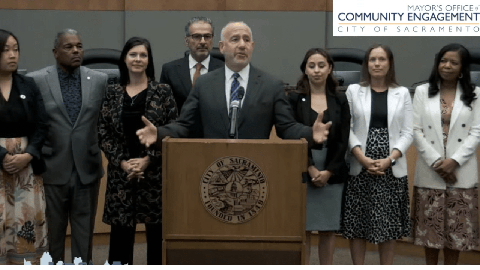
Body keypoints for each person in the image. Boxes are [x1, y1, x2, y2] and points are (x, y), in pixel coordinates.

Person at [137, 21, 330, 147]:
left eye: (247, 40)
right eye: (235, 39)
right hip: (211, 168)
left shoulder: (272, 85)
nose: (242, 44)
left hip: (256, 169)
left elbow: (286, 127)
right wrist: (160, 133)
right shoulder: (204, 84)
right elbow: (184, 125)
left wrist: (310, 133)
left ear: (252, 47)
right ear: (222, 47)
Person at [27, 29, 108, 264]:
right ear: (55, 52)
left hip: (87, 168)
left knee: (84, 233)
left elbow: (104, 121)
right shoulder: (37, 80)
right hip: (52, 167)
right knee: (53, 234)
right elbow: (33, 123)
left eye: (79, 46)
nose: (75, 51)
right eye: (69, 47)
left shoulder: (100, 80)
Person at [98, 37, 177, 265]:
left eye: (143, 55)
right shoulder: (112, 92)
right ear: (124, 58)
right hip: (121, 174)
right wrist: (123, 163)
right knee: (121, 238)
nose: (138, 59)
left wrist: (147, 161)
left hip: (154, 174)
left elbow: (172, 129)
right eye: (133, 54)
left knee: (156, 236)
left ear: (149, 60)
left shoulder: (162, 91)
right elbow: (103, 131)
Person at [342, 44, 413, 265]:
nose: (377, 64)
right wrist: (361, 158)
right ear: (366, 64)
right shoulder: (353, 90)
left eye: (382, 59)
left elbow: (408, 132)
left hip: (390, 167)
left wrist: (390, 159)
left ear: (389, 63)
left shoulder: (402, 93)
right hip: (359, 164)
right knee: (357, 224)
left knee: (389, 224)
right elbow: (348, 128)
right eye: (372, 59)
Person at [412, 43, 480, 265]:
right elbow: (416, 130)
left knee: (456, 236)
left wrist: (454, 162)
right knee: (429, 236)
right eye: (443, 61)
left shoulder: (476, 94)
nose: (447, 66)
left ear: (462, 68)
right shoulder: (422, 91)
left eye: (453, 62)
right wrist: (438, 163)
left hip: (461, 171)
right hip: (430, 170)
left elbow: (476, 132)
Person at [288, 48, 350, 265]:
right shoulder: (295, 99)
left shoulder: (340, 99)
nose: (316, 70)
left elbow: (343, 139)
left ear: (330, 68)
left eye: (321, 65)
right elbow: (292, 136)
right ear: (304, 69)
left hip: (332, 169)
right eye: (311, 65)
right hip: (303, 168)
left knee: (328, 229)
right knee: (303, 228)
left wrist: (329, 171)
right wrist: (311, 168)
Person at [0, 29, 48, 265]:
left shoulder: (28, 85)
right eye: (6, 49)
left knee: (24, 233)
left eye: (16, 49)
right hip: (1, 167)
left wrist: (28, 154)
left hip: (26, 171)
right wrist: (2, 156)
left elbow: (41, 125)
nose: (12, 55)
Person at [160, 16, 223, 113]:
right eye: (197, 36)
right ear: (186, 41)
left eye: (207, 36)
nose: (202, 42)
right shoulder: (170, 70)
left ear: (212, 39)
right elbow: (164, 109)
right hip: (179, 126)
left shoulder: (224, 69)